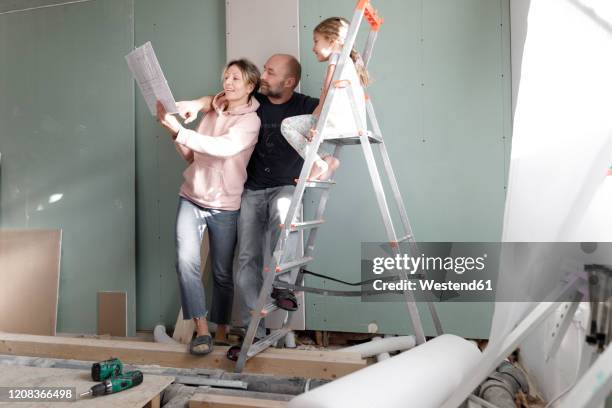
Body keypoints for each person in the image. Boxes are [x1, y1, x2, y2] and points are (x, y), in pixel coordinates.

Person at [177, 54, 319, 359]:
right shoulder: (255, 100)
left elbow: (330, 112)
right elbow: (212, 100)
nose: (264, 75)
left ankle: (283, 286)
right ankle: (254, 328)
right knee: (245, 262)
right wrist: (193, 104)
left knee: (285, 219)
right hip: (251, 190)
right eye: (264, 70)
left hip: (285, 185)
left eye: (270, 72)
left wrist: (339, 67)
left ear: (289, 81)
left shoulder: (304, 105)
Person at [155, 59, 261, 355]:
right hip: (191, 196)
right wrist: (172, 131)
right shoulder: (213, 110)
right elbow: (193, 156)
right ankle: (202, 331)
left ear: (250, 86)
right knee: (185, 263)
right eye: (226, 76)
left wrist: (180, 130)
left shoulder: (250, 122)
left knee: (221, 273)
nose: (228, 83)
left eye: (235, 79)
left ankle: (223, 329)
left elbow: (222, 149)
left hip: (225, 205)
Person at [281, 16, 370, 180]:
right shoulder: (350, 62)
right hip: (352, 122)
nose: (313, 48)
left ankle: (318, 161)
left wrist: (318, 123)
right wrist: (315, 119)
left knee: (287, 125)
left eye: (316, 41)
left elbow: (327, 94)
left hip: (335, 123)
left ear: (333, 41)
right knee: (305, 129)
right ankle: (326, 159)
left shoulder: (336, 59)